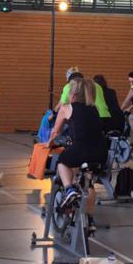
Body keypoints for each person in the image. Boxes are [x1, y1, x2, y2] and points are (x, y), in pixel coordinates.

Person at [47, 77, 104, 223]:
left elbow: (55, 132)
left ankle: (69, 189)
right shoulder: (94, 108)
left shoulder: (66, 108)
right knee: (88, 183)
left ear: (72, 95)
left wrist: (49, 143)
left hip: (80, 149)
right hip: (100, 152)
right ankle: (89, 220)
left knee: (62, 162)